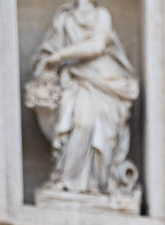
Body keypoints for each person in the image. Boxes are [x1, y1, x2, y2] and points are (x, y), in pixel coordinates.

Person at [27, 0, 139, 197]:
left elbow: (97, 46)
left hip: (106, 82)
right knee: (82, 124)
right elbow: (47, 52)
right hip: (76, 81)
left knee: (96, 130)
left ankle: (97, 183)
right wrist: (49, 62)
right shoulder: (64, 18)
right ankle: (68, 180)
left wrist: (60, 56)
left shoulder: (101, 14)